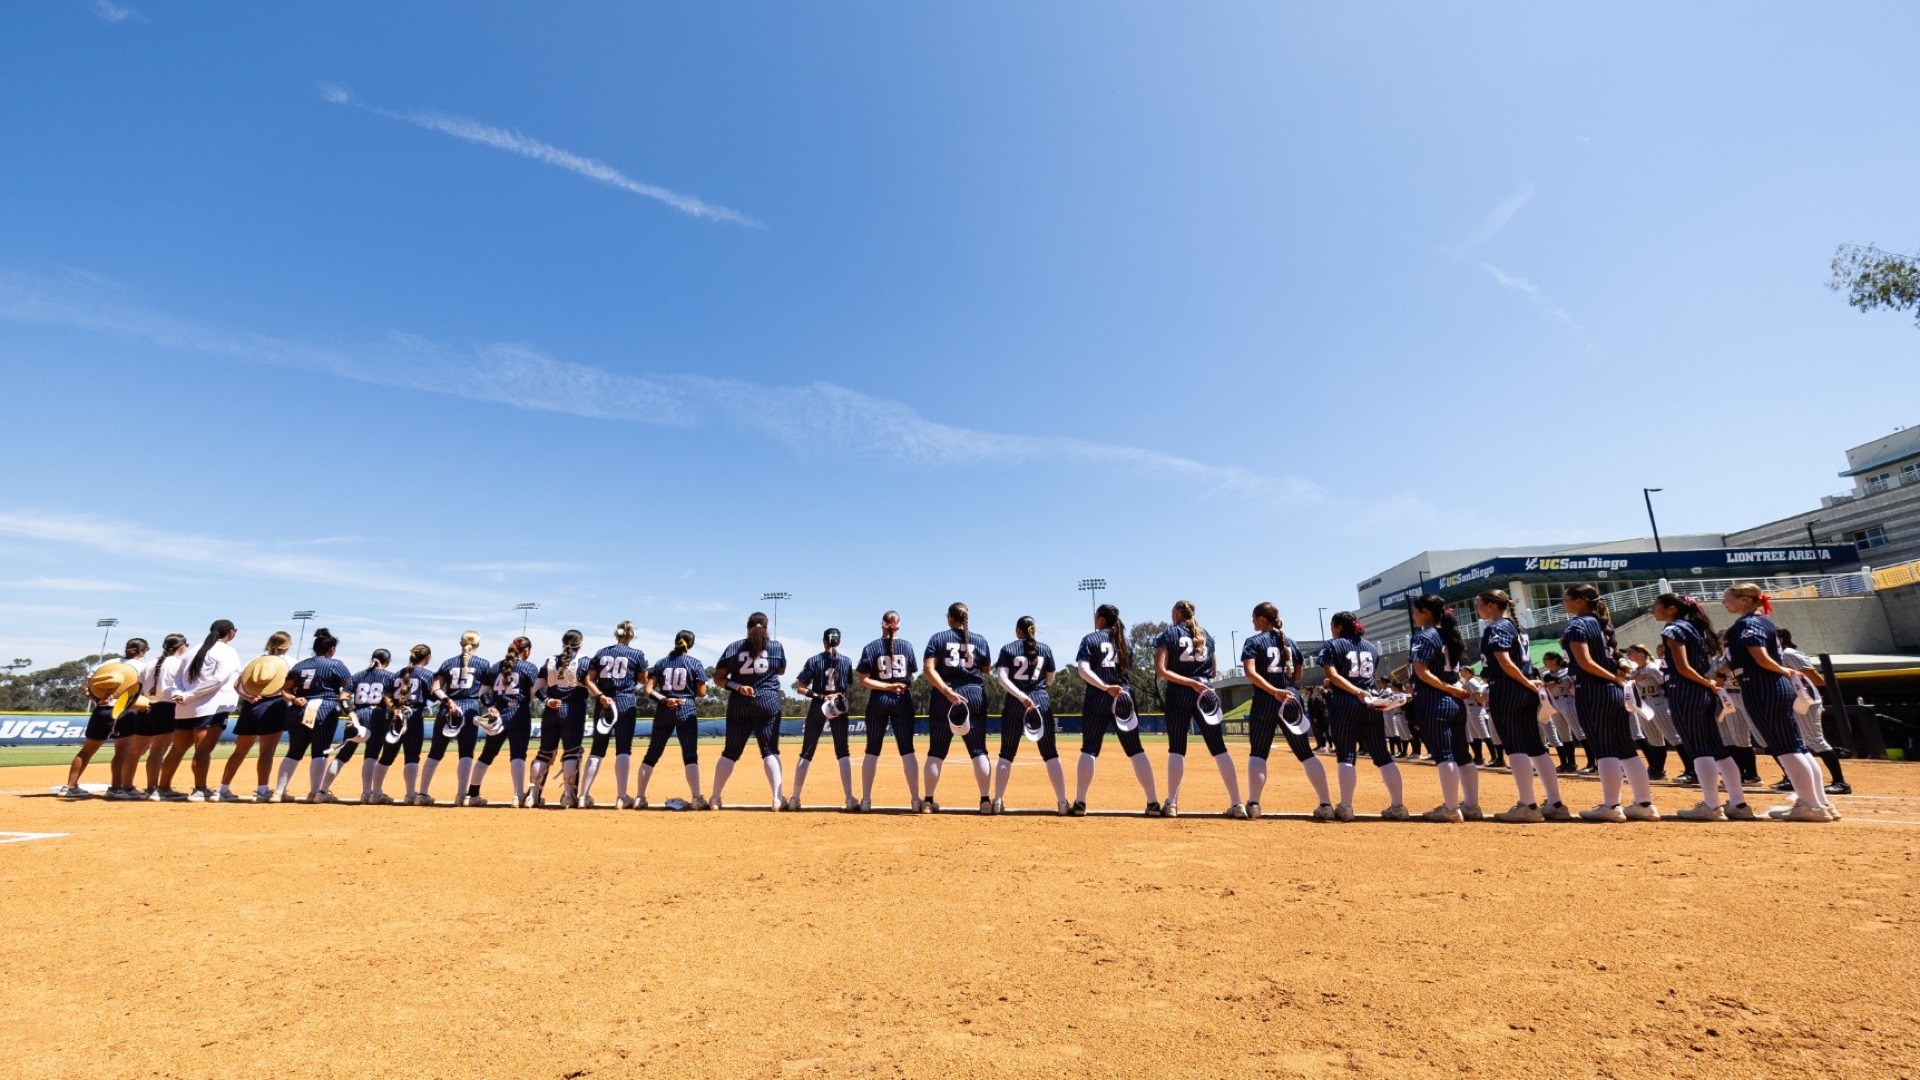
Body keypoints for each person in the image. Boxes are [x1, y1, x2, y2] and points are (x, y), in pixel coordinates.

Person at [1722, 585, 1835, 821]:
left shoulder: (1748, 623)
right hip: (1768, 684)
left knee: (1785, 747)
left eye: (1727, 598)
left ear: (1744, 600)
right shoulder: (1763, 621)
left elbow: (1759, 656)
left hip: (1761, 685)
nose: (1724, 603)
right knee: (1796, 746)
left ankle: (1810, 805)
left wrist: (1783, 670)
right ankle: (1820, 803)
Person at [1561, 584, 1659, 822]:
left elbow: (1584, 662)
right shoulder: (1600, 623)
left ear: (1580, 601)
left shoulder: (1577, 624)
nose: (1564, 603)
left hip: (1594, 689)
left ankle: (1611, 806)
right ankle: (1644, 803)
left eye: (1567, 599)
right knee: (1626, 748)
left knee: (1604, 749)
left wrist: (1612, 677)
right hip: (1613, 692)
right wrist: (1615, 677)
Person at [1653, 594, 1754, 821]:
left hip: (1685, 690)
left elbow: (1683, 667)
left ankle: (1711, 805)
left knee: (1699, 749)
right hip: (1701, 692)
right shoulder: (1694, 627)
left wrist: (1706, 682)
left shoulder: (1674, 629)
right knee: (1717, 748)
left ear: (1671, 609)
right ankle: (1738, 803)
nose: (1653, 611)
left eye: (1656, 607)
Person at [1473, 590, 1569, 823]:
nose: (1478, 610)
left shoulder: (1497, 627)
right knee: (1536, 746)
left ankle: (1527, 804)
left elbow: (1504, 662)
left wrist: (1525, 683)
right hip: (1523, 687)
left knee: (1515, 745)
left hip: (1508, 687)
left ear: (1493, 606)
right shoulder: (1517, 627)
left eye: (1480, 605)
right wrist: (1528, 683)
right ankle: (1555, 803)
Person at [1241, 602, 1332, 820]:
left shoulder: (1253, 642)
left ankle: (1254, 804)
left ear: (1263, 619)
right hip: (1291, 698)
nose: (1252, 621)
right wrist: (1284, 686)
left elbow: (1250, 673)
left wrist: (1273, 690)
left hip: (1266, 699)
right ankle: (1326, 803)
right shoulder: (1291, 643)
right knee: (1306, 753)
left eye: (1254, 617)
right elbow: (1298, 677)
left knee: (1259, 752)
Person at [1154, 600, 1244, 818]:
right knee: (1219, 748)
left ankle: (1172, 803)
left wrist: (1188, 682)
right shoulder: (1207, 636)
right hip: (1206, 693)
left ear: (1176, 613)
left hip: (1179, 692)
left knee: (1177, 748)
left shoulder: (1168, 633)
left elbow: (1161, 670)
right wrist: (1197, 681)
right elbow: (1213, 672)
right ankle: (1237, 803)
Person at [1315, 612, 1407, 821]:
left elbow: (1332, 675)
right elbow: (1370, 676)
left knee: (1346, 755)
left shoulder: (1333, 645)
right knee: (1382, 756)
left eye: (1332, 626)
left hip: (1345, 701)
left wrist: (1355, 691)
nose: (1331, 630)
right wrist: (1362, 692)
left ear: (1338, 627)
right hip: (1370, 702)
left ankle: (1346, 807)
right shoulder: (1371, 647)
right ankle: (1398, 806)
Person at [1070, 604, 1160, 817]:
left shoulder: (1090, 639)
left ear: (1100, 619)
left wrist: (1103, 687)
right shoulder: (1125, 641)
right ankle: (1153, 802)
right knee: (1136, 749)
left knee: (1089, 749)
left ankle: (1081, 802)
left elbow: (1083, 669)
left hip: (1098, 697)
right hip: (1123, 697)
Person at [1407, 595, 1480, 823]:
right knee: (1462, 754)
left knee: (1444, 754)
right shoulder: (1449, 636)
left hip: (1434, 700)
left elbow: (1422, 672)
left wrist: (1447, 688)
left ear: (1426, 612)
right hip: (1454, 702)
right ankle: (1471, 805)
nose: (1413, 615)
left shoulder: (1424, 636)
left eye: (1415, 611)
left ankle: (1450, 808)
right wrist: (1453, 689)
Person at [920, 602, 995, 814]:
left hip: (945, 695)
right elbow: (986, 670)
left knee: (936, 750)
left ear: (950, 618)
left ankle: (927, 801)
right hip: (974, 695)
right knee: (978, 750)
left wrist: (947, 691)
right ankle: (985, 802)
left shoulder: (938, 638)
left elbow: (928, 669)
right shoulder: (980, 640)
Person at [989, 616, 1069, 815]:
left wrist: (1021, 695)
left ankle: (997, 801)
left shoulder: (1008, 649)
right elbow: (1050, 680)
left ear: (1018, 631)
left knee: (1006, 754)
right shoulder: (1046, 649)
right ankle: (1062, 803)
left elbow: (1001, 678)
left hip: (1015, 702)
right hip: (1040, 701)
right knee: (1050, 753)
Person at [709, 612, 788, 810]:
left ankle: (715, 798)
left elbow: (718, 678)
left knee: (730, 752)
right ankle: (777, 799)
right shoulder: (776, 647)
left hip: (740, 704)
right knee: (769, 751)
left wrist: (738, 686)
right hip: (767, 702)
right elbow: (781, 670)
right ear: (766, 627)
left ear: (747, 627)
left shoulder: (734, 647)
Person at [160, 620, 242, 801]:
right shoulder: (228, 651)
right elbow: (218, 679)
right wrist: (190, 695)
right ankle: (199, 789)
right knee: (203, 750)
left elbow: (178, 678)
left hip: (185, 708)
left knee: (177, 750)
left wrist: (180, 694)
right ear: (230, 632)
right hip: (211, 706)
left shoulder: (193, 650)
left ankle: (162, 788)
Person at [62, 638, 148, 798]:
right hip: (126, 711)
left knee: (86, 751)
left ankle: (70, 787)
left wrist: (97, 700)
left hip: (101, 710)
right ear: (145, 651)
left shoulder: (106, 664)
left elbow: (83, 688)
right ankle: (116, 789)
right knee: (122, 751)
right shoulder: (143, 667)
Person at [276, 628, 352, 803]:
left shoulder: (300, 665)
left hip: (298, 708)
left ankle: (278, 792)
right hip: (323, 708)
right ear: (331, 649)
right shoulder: (335, 664)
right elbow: (348, 687)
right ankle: (316, 792)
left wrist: (293, 698)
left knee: (294, 751)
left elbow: (285, 688)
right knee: (320, 751)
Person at [856, 611, 920, 811]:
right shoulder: (907, 646)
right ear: (898, 625)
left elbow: (863, 680)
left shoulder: (871, 647)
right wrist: (894, 686)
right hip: (902, 699)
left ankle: (866, 800)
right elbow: (910, 674)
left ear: (882, 625)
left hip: (878, 700)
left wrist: (886, 687)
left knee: (872, 750)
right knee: (907, 750)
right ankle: (916, 800)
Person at [637, 630, 709, 809]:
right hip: (686, 707)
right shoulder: (694, 663)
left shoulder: (661, 663)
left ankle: (639, 797)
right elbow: (701, 692)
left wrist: (665, 699)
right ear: (690, 645)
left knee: (652, 754)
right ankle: (696, 798)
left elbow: (648, 690)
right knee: (690, 755)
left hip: (664, 708)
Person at [420, 631, 493, 806]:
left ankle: (421, 794)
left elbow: (435, 688)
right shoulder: (483, 664)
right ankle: (461, 795)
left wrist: (447, 701)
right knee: (466, 753)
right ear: (478, 644)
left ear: (460, 643)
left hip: (447, 708)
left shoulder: (448, 663)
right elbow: (486, 692)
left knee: (435, 752)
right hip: (470, 707)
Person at [1776, 628, 1849, 795]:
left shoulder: (1789, 654)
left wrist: (1817, 697)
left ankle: (1841, 782)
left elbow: (1818, 679)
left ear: (1780, 639)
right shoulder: (1778, 656)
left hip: (1805, 700)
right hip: (1793, 701)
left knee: (1815, 740)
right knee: (1800, 741)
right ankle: (1799, 781)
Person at [580, 622, 644, 808]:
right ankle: (621, 797)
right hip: (625, 701)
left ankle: (583, 796)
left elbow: (589, 679)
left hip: (603, 703)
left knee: (597, 749)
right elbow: (643, 679)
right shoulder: (636, 654)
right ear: (631, 635)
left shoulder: (601, 652)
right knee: (623, 749)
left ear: (616, 634)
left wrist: (600, 695)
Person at [791, 628, 855, 811]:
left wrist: (820, 696)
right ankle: (849, 799)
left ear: (824, 641)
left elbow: (800, 688)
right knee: (843, 752)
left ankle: (795, 798)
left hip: (819, 705)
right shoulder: (847, 661)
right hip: (838, 707)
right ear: (839, 642)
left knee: (807, 751)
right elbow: (846, 686)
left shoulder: (814, 660)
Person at [468, 636, 536, 807]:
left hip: (497, 713)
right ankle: (517, 795)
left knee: (487, 754)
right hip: (518, 713)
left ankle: (472, 794)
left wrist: (490, 706)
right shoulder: (528, 667)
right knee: (518, 754)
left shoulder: (495, 667)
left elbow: (482, 693)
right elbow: (535, 692)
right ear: (526, 650)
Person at [526, 632, 587, 808]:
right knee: (572, 752)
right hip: (574, 710)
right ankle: (568, 796)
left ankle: (532, 795)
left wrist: (547, 700)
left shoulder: (550, 660)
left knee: (544, 752)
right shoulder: (584, 661)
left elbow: (536, 688)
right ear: (580, 643)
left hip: (551, 710)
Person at [370, 645, 432, 805]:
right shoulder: (427, 675)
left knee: (387, 755)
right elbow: (435, 695)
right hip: (413, 715)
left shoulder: (398, 673)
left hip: (393, 716)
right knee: (411, 756)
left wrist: (394, 709)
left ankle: (375, 793)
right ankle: (410, 795)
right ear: (428, 658)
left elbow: (387, 696)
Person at [334, 648, 396, 804]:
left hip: (358, 714)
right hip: (377, 714)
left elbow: (343, 697)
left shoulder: (358, 675)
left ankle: (320, 790)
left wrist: (350, 712)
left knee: (343, 754)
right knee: (372, 754)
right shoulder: (390, 676)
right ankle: (367, 793)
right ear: (387, 662)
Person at [129, 633, 189, 796]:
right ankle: (154, 788)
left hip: (146, 707)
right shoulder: (180, 664)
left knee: (135, 752)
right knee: (158, 750)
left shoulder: (150, 663)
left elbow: (138, 687)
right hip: (166, 708)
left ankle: (125, 787)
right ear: (181, 646)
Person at [1622, 644, 1681, 780]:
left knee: (1674, 737)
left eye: (1631, 652)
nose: (1628, 655)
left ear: (1641, 653)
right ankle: (1657, 770)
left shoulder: (1653, 668)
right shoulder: (1637, 671)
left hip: (1659, 702)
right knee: (1654, 740)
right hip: (1644, 705)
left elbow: (1666, 685)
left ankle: (1691, 770)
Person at [1538, 653, 1582, 773]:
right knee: (1563, 735)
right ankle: (1569, 763)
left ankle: (1592, 763)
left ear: (1557, 659)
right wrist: (1551, 681)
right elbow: (1544, 684)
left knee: (1579, 732)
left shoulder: (1567, 671)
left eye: (1550, 659)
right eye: (1545, 659)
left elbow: (1576, 684)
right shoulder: (1544, 675)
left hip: (1568, 699)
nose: (1548, 661)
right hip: (1554, 702)